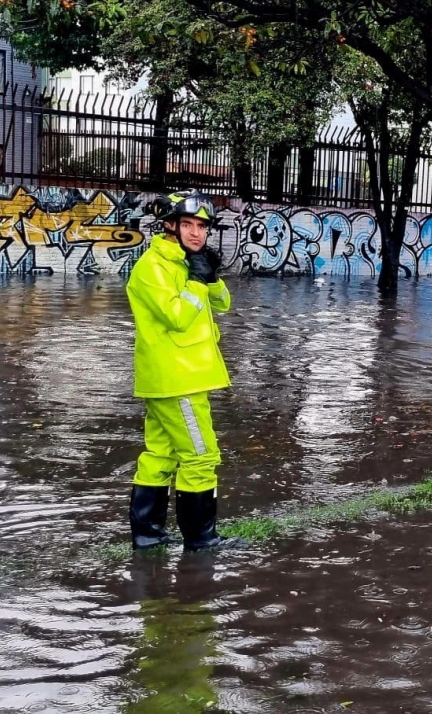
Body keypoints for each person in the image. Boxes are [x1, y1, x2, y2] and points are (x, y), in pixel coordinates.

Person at [125, 189, 240, 551]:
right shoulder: (152, 267)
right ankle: (201, 540)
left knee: (160, 454)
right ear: (169, 227)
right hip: (179, 380)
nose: (196, 233)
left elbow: (223, 305)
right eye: (187, 225)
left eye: (202, 227)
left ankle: (148, 535)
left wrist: (211, 275)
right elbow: (177, 317)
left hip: (176, 378)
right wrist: (195, 280)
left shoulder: (187, 262)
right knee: (201, 456)